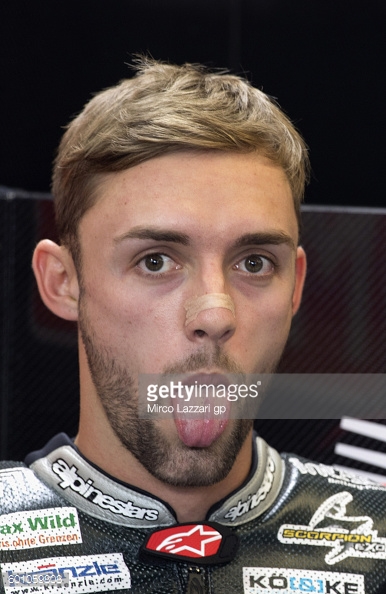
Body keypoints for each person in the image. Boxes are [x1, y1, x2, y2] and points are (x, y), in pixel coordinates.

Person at [1, 58, 385, 594]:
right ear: (63, 282)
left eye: (254, 262)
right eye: (156, 260)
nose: (215, 314)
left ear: (295, 286)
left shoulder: (376, 541)